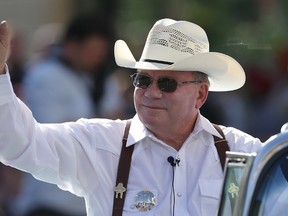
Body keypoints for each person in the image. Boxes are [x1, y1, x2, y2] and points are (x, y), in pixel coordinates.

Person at [0, 18, 263, 216]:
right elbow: (21, 143)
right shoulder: (100, 144)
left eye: (167, 84)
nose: (151, 93)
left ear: (200, 95)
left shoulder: (242, 152)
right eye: (143, 79)